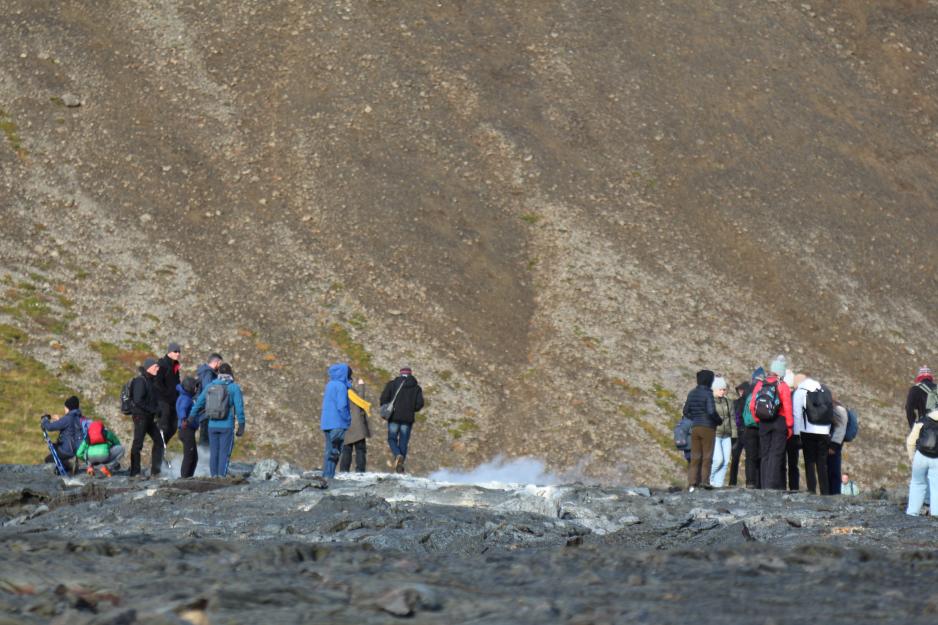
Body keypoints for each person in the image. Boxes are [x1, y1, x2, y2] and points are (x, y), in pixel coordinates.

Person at [189, 363, 245, 477]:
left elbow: (199, 402)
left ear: (219, 373)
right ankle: (221, 478)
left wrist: (191, 417)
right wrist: (241, 425)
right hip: (227, 426)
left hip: (212, 425)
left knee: (214, 452)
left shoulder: (210, 386)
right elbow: (239, 408)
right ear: (230, 373)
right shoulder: (234, 387)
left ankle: (213, 476)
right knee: (224, 453)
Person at [750, 356, 793, 491]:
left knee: (765, 454)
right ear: (781, 372)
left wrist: (758, 420)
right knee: (776, 453)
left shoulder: (760, 384)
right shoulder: (783, 385)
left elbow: (752, 406)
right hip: (779, 422)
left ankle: (764, 485)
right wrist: (789, 425)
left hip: (764, 422)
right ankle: (771, 485)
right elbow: (787, 407)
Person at [792, 374, 831, 495]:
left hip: (808, 430)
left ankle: (812, 490)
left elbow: (797, 414)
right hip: (824, 431)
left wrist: (796, 434)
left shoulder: (801, 391)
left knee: (809, 461)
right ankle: (825, 491)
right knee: (822, 463)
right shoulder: (824, 389)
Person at [381, 366, 425, 474]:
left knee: (392, 438)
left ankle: (397, 455)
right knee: (403, 442)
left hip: (394, 416)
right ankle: (400, 466)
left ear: (400, 374)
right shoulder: (416, 387)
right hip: (408, 418)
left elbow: (383, 398)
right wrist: (411, 409)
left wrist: (387, 407)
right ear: (410, 374)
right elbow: (420, 404)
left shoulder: (392, 384)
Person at [682, 369, 720, 491]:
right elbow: (711, 411)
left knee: (695, 456)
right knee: (707, 455)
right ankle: (705, 481)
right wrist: (718, 420)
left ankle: (692, 482)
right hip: (708, 427)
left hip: (695, 427)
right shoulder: (708, 394)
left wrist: (696, 417)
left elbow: (686, 411)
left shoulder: (692, 393)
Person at [129, 357, 165, 477]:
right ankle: (134, 472)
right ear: (149, 367)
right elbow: (138, 400)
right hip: (140, 417)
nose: (158, 368)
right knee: (138, 444)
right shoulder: (141, 381)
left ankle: (156, 470)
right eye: (156, 366)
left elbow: (150, 399)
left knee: (159, 442)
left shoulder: (150, 380)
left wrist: (158, 410)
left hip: (148, 417)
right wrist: (154, 410)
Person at [321, 363, 352, 478]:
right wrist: (348, 419)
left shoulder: (329, 385)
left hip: (326, 423)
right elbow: (342, 406)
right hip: (338, 423)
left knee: (329, 451)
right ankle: (329, 477)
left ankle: (326, 475)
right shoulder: (341, 386)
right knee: (335, 452)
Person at [40, 396, 86, 474]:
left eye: (65, 407)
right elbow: (70, 428)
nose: (64, 409)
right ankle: (70, 463)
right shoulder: (80, 417)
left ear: (69, 408)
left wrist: (45, 420)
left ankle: (68, 465)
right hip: (77, 449)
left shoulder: (67, 418)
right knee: (53, 447)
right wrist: (60, 420)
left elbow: (49, 427)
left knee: (48, 459)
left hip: (67, 450)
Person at [906, 408, 938, 515]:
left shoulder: (922, 421)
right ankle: (935, 515)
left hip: (920, 456)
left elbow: (910, 442)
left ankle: (912, 512)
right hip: (936, 459)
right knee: (936, 487)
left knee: (917, 483)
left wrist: (912, 458)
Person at [340, 378, 372, 473]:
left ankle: (344, 470)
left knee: (346, 450)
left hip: (345, 425)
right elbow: (360, 401)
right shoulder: (351, 392)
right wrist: (361, 386)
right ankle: (360, 471)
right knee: (360, 450)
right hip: (357, 425)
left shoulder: (339, 392)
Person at [154, 342, 182, 444]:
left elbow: (177, 382)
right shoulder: (162, 364)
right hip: (163, 401)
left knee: (174, 426)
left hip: (173, 402)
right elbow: (157, 383)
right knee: (163, 427)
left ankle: (162, 446)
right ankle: (159, 452)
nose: (178, 353)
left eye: (179, 351)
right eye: (175, 351)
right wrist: (168, 393)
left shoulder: (175, 366)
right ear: (169, 352)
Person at [709, 376, 735, 487]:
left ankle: (718, 485)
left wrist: (734, 434)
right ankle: (709, 478)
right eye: (720, 389)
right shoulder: (709, 401)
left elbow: (732, 419)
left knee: (725, 461)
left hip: (727, 435)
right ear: (714, 389)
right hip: (715, 434)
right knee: (718, 459)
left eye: (724, 389)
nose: (722, 391)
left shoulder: (729, 402)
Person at [741, 369, 765, 488]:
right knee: (761, 456)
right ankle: (759, 483)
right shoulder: (764, 388)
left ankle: (750, 482)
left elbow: (741, 409)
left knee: (750, 457)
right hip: (762, 426)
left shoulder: (748, 389)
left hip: (749, 427)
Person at [196, 353, 223, 447]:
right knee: (205, 436)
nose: (220, 366)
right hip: (207, 410)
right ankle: (203, 459)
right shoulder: (208, 373)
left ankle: (205, 458)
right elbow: (208, 389)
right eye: (220, 363)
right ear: (216, 362)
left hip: (205, 409)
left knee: (206, 435)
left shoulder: (204, 372)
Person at [780, 368, 800, 491]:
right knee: (793, 464)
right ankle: (794, 487)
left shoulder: (782, 394)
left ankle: (782, 486)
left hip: (784, 432)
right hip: (795, 434)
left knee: (782, 462)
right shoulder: (798, 396)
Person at [729, 380, 751, 487]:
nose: (740, 392)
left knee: (741, 458)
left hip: (742, 432)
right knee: (737, 458)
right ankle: (735, 482)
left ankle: (735, 482)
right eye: (739, 390)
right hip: (741, 433)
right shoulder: (748, 402)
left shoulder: (737, 403)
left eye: (742, 390)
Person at [176, 376, 199, 478]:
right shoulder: (186, 398)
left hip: (187, 430)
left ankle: (188, 476)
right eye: (195, 386)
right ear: (189, 387)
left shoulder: (186, 397)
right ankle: (185, 477)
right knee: (189, 455)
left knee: (194, 456)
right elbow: (182, 409)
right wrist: (184, 419)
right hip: (186, 429)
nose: (196, 389)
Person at [828, 400, 849, 494]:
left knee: (834, 469)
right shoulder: (837, 408)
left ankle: (834, 493)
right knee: (830, 469)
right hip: (834, 442)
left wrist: (833, 445)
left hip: (835, 444)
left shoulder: (838, 410)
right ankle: (831, 492)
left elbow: (841, 428)